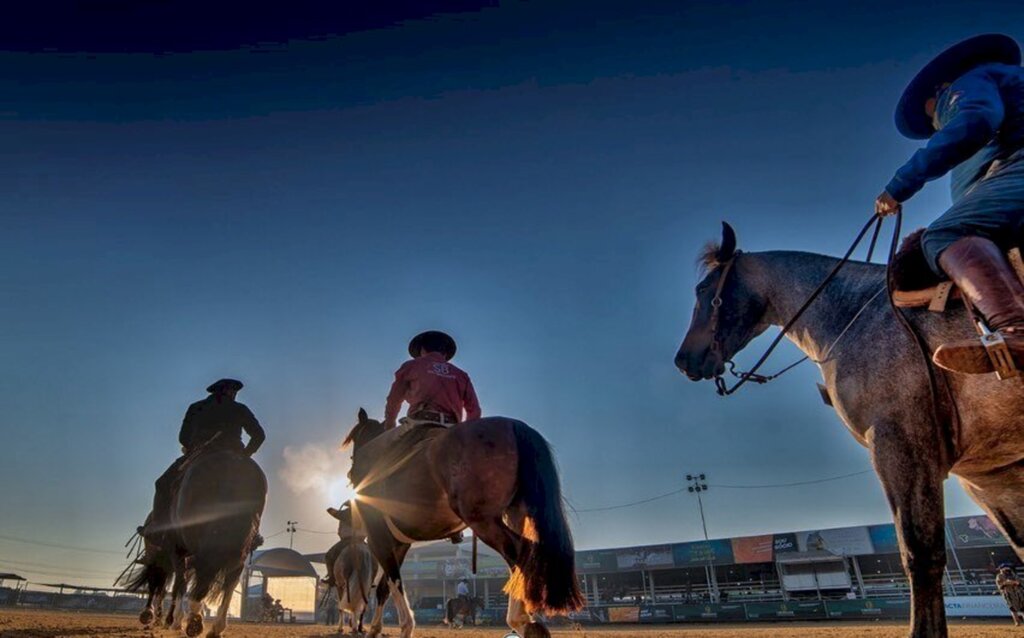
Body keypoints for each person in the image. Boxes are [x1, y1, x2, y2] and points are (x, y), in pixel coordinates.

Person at [875, 33, 1024, 377]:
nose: (936, 124)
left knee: (947, 232)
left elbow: (975, 122)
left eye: (932, 118)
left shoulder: (968, 84)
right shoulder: (1010, 82)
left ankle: (1016, 330)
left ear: (939, 91)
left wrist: (898, 187)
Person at [142, 378, 266, 546]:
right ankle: (254, 532)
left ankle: (159, 529)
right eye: (233, 392)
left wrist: (194, 447)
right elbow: (259, 435)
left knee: (162, 484)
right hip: (234, 454)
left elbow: (183, 438)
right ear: (228, 392)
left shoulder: (196, 407)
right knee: (256, 486)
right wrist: (245, 455)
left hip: (201, 454)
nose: (234, 395)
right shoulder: (240, 409)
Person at [384, 331, 481, 428]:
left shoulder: (411, 365)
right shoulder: (461, 375)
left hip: (417, 423)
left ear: (423, 349)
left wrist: (390, 422)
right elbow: (474, 410)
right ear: (445, 353)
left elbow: (394, 399)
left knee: (384, 442)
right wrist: (465, 432)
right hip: (452, 428)